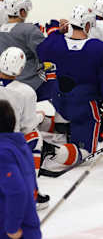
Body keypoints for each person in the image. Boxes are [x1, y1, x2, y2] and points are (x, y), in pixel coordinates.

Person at [37, 5, 103, 167]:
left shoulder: (57, 43)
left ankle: (40, 121)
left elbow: (41, 50)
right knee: (86, 153)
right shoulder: (99, 48)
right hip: (84, 108)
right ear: (87, 25)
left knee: (66, 115)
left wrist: (57, 32)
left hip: (60, 103)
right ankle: (53, 151)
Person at [0, 47, 49, 210]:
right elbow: (27, 126)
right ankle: (30, 192)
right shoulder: (26, 92)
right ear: (20, 69)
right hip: (8, 143)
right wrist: (41, 116)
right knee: (35, 138)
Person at [0, 0, 55, 102]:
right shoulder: (29, 30)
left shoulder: (1, 29)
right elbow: (46, 54)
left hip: (6, 83)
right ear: (21, 12)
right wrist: (55, 33)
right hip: (30, 83)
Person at [0, 99, 41, 239]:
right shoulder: (19, 146)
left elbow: (17, 191)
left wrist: (12, 227)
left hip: (10, 231)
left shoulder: (3, 152)